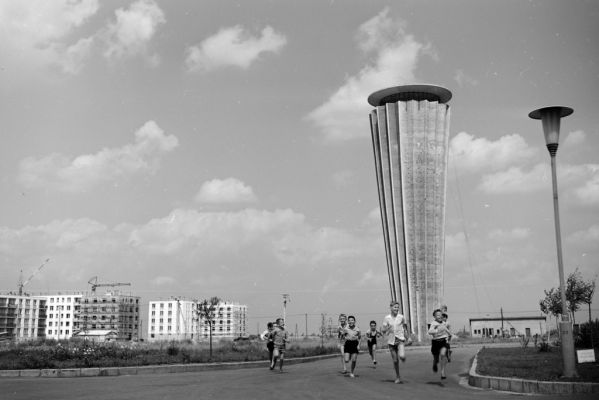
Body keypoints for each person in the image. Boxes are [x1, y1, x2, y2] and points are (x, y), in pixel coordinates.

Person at [381, 301, 408, 384]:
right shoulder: (387, 318)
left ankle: (403, 357)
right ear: (391, 308)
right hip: (391, 341)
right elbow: (383, 330)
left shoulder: (401, 317)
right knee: (395, 361)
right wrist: (387, 328)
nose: (396, 309)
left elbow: (405, 326)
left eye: (397, 307)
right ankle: (398, 377)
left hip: (400, 339)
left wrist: (408, 337)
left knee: (402, 355)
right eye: (395, 307)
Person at [428, 309, 452, 379]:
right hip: (435, 342)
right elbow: (430, 331)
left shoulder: (443, 323)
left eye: (441, 315)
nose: (440, 316)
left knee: (443, 355)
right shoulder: (433, 323)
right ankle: (435, 363)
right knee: (436, 359)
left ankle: (442, 372)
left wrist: (450, 334)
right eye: (438, 315)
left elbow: (445, 329)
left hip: (443, 341)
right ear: (434, 317)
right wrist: (437, 330)